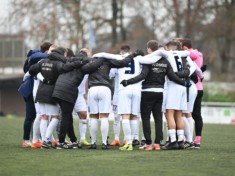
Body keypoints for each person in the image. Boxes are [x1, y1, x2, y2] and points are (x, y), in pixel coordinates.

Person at [121, 40, 191, 151]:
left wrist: (128, 81)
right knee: (158, 119)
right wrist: (184, 83)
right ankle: (157, 144)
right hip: (160, 93)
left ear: (149, 49)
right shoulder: (165, 61)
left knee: (146, 118)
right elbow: (172, 76)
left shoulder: (148, 60)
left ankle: (148, 143)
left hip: (147, 92)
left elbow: (142, 75)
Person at [29, 47, 87, 149]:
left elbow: (31, 70)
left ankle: (44, 141)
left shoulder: (43, 61)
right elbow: (65, 68)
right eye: (65, 54)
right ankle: (46, 140)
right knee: (55, 117)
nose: (65, 56)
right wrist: (79, 63)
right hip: (51, 93)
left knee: (44, 117)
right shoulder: (57, 63)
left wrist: (42, 78)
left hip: (40, 92)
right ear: (61, 53)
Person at [87, 50, 143, 150]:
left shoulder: (90, 62)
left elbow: (83, 70)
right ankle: (104, 143)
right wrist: (133, 54)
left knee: (93, 117)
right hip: (105, 89)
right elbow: (123, 63)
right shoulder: (108, 61)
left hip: (92, 89)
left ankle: (93, 143)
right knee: (104, 116)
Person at [52, 50, 104, 149]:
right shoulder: (83, 66)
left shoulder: (69, 62)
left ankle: (73, 140)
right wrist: (102, 58)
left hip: (58, 91)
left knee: (67, 117)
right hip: (67, 92)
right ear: (85, 57)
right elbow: (94, 66)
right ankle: (61, 142)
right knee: (66, 117)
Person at [21, 42, 52, 148]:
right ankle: (26, 140)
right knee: (31, 115)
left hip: (32, 89)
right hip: (30, 91)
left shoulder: (39, 58)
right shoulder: (36, 56)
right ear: (47, 50)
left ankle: (36, 138)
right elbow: (28, 71)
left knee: (37, 115)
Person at [182, 38, 205, 149]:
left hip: (191, 87)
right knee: (196, 114)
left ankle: (188, 140)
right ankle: (197, 140)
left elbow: (191, 56)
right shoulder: (200, 54)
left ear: (185, 48)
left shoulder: (192, 54)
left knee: (186, 113)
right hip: (200, 87)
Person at [73, 48, 92, 146]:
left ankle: (83, 138)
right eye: (89, 53)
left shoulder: (89, 65)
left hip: (79, 94)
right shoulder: (75, 62)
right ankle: (57, 139)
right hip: (69, 93)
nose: (90, 55)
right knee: (61, 117)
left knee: (84, 115)